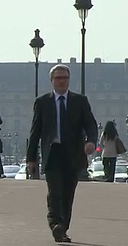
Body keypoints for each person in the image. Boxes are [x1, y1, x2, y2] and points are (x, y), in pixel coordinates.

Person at [27, 64, 98, 243]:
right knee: (55, 192)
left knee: (68, 194)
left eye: (64, 78)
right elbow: (35, 131)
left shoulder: (80, 101)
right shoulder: (42, 102)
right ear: (52, 81)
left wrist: (91, 141)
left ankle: (63, 228)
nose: (61, 81)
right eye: (58, 78)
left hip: (73, 153)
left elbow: (90, 124)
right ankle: (55, 224)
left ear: (68, 80)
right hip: (53, 153)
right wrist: (31, 158)